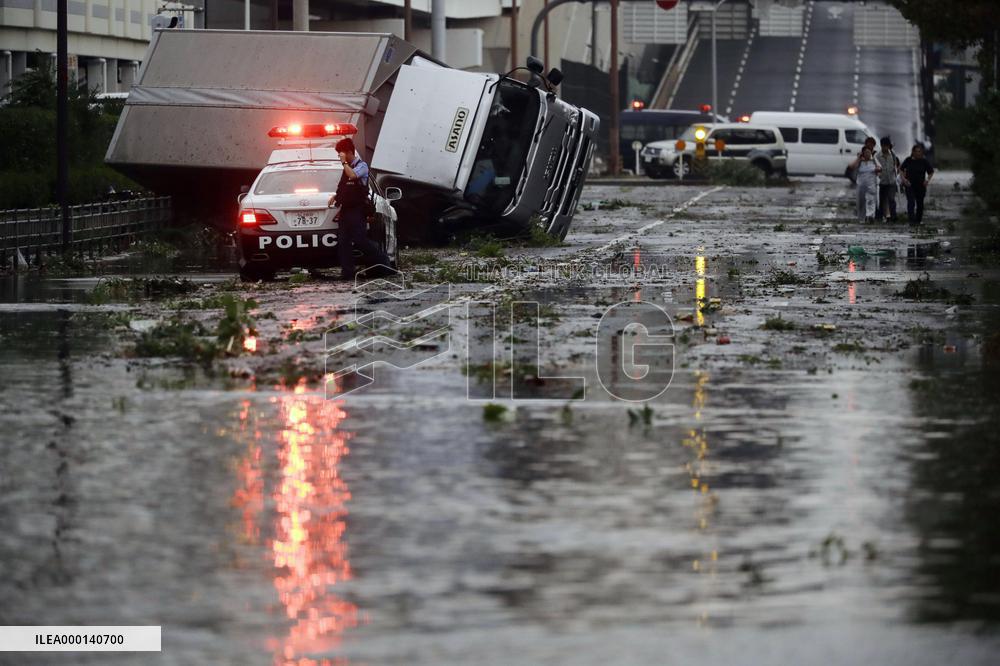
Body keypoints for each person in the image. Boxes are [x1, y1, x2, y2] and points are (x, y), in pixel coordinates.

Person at [329, 137, 390, 281]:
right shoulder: (347, 167)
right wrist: (337, 196)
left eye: (341, 154)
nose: (340, 157)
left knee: (360, 240)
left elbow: (353, 175)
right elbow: (344, 186)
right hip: (346, 210)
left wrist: (344, 162)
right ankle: (348, 273)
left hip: (357, 210)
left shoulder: (361, 166)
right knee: (343, 242)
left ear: (349, 152)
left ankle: (383, 262)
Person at [900, 143, 934, 225]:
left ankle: (918, 220)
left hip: (921, 185)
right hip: (910, 185)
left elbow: (931, 172)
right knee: (911, 202)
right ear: (913, 152)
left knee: (920, 204)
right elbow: (901, 169)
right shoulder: (908, 160)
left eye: (919, 151)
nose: (918, 153)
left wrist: (927, 180)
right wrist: (904, 179)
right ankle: (911, 220)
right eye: (916, 151)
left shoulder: (924, 161)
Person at [850, 145, 881, 222]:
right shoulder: (860, 162)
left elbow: (880, 168)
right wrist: (858, 158)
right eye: (866, 152)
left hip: (871, 185)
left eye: (869, 152)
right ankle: (862, 218)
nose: (867, 154)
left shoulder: (874, 160)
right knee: (861, 202)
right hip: (861, 186)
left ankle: (870, 216)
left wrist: (877, 169)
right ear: (863, 153)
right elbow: (852, 166)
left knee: (871, 200)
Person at [874, 136, 900, 222]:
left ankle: (893, 216)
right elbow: (875, 167)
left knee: (891, 199)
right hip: (882, 182)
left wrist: (896, 172)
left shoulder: (893, 154)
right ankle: (881, 216)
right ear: (881, 145)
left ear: (889, 146)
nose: (885, 148)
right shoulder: (877, 156)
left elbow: (896, 165)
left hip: (891, 181)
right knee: (882, 200)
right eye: (883, 146)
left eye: (886, 146)